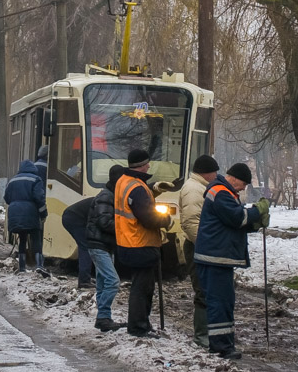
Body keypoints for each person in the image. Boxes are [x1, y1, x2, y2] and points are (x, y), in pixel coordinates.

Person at [194, 162, 269, 359]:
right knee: (220, 302)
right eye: (243, 183)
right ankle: (221, 347)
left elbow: (233, 222)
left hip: (218, 257)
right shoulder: (220, 192)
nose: (244, 187)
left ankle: (224, 344)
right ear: (234, 178)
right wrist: (258, 211)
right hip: (215, 258)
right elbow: (236, 217)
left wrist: (254, 224)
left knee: (225, 302)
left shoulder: (225, 193)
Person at [114, 148, 171, 337]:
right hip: (140, 243)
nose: (149, 166)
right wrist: (166, 220)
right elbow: (148, 217)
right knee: (142, 288)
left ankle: (140, 324)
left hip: (128, 242)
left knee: (140, 286)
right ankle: (138, 326)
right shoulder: (136, 188)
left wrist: (153, 189)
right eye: (147, 164)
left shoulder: (124, 182)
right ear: (141, 166)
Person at [179, 154, 220, 348]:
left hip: (201, 245)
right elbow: (190, 222)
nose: (216, 175)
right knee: (203, 290)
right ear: (207, 173)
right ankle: (201, 335)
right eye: (214, 172)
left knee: (207, 289)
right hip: (198, 246)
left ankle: (207, 332)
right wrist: (207, 246)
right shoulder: (194, 190)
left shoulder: (199, 187)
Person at [86, 164, 126, 331]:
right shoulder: (107, 197)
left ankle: (103, 318)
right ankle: (103, 316)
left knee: (103, 283)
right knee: (112, 281)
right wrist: (125, 227)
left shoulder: (111, 195)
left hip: (103, 245)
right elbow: (104, 222)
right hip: (99, 244)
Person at [4, 155, 49, 276]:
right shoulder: (36, 179)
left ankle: (22, 267)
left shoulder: (12, 180)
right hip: (31, 212)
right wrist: (43, 213)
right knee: (36, 238)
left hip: (14, 212)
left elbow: (7, 198)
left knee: (22, 238)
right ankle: (39, 265)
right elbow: (39, 198)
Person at [61, 196, 96, 289]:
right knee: (85, 247)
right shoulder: (103, 204)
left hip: (71, 216)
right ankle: (84, 281)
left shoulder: (102, 200)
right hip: (73, 218)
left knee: (85, 245)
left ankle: (85, 278)